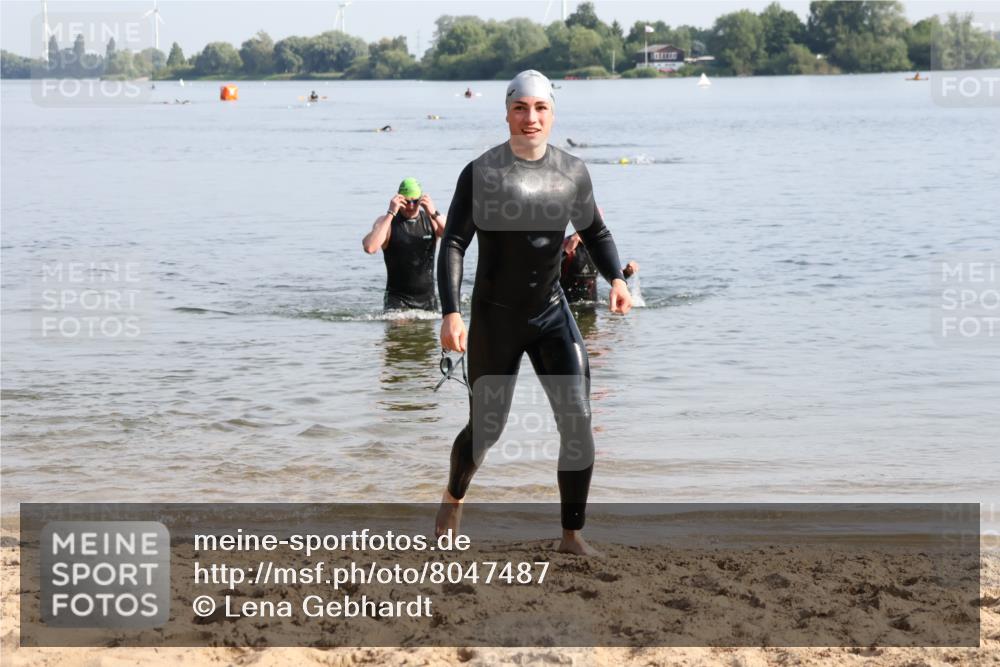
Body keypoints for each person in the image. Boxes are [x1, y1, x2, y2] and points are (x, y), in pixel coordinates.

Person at [436, 70, 632, 556]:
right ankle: (453, 497)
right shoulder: (482, 173)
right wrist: (450, 313)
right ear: (507, 114)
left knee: (578, 421)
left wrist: (618, 280)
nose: (530, 118)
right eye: (521, 108)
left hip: (551, 312)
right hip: (496, 317)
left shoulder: (572, 172)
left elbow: (596, 232)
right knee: (487, 427)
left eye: (540, 108)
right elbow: (455, 242)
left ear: (552, 114)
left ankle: (571, 535)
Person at [363, 177, 446, 311]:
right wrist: (391, 213)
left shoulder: (432, 220)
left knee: (426, 332)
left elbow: (454, 237)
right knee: (399, 331)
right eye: (406, 202)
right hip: (397, 300)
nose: (411, 206)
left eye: (415, 201)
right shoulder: (386, 223)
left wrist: (434, 213)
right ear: (399, 200)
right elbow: (370, 247)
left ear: (421, 200)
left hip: (427, 300)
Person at [561, 232, 638, 304]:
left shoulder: (597, 247)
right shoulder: (566, 243)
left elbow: (612, 277)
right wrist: (566, 251)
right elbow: (550, 273)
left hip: (592, 306)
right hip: (568, 306)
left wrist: (627, 272)